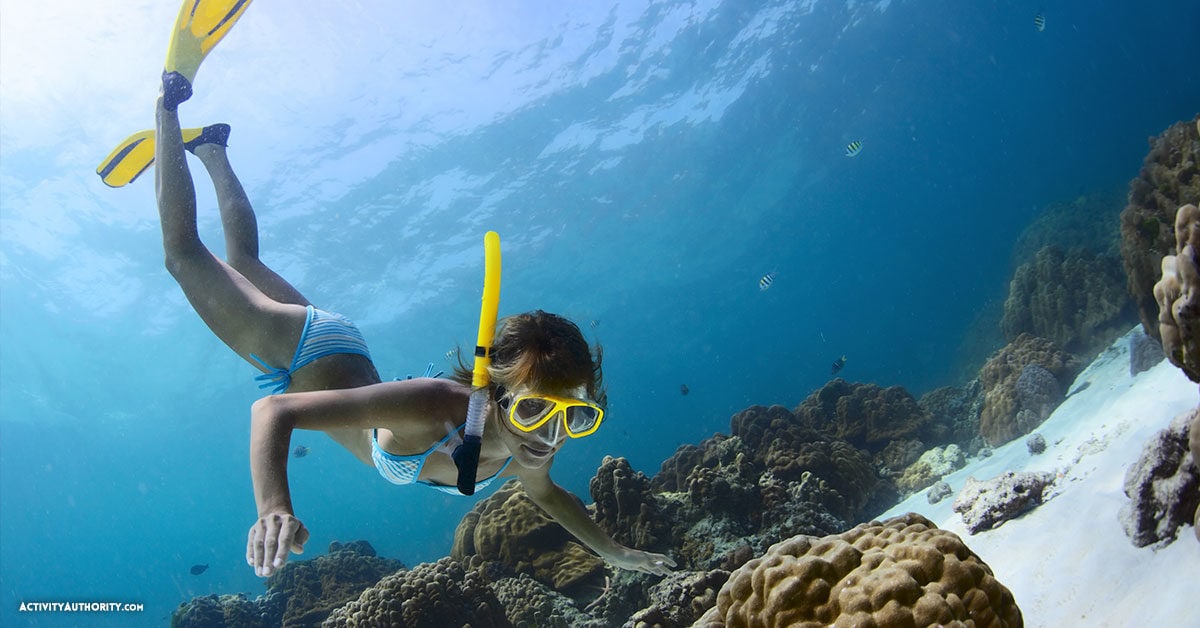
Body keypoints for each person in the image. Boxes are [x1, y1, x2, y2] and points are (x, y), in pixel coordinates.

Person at [146, 2, 674, 580]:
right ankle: (169, 99)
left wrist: (614, 552)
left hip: (342, 347)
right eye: (532, 409)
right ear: (493, 393)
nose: (550, 436)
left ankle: (214, 148)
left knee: (243, 261)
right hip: (302, 351)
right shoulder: (438, 406)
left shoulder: (527, 444)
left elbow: (548, 496)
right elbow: (273, 411)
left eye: (574, 417)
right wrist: (274, 507)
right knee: (183, 256)